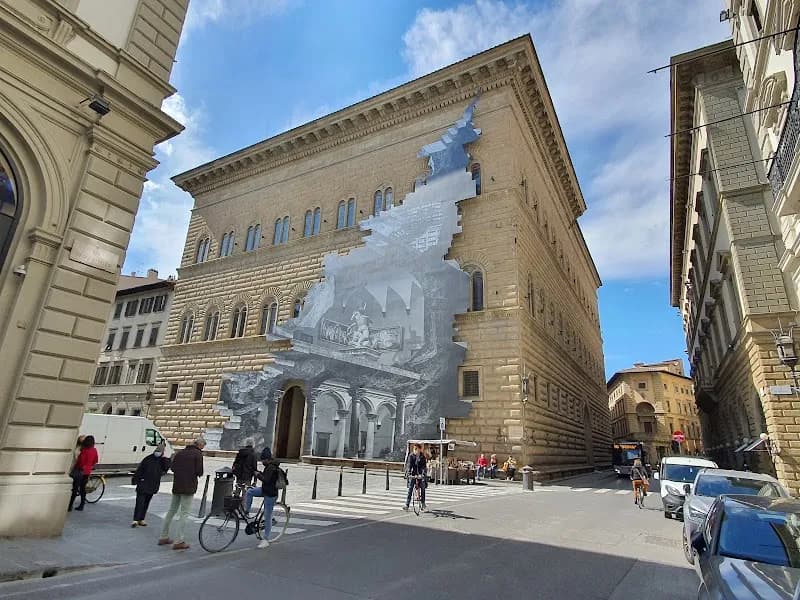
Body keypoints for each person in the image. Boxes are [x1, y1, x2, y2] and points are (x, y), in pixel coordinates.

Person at [159, 437, 205, 550]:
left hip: (177, 485)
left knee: (171, 510)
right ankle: (179, 540)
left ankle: (163, 536)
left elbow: (173, 468)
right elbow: (200, 471)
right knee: (184, 513)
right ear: (200, 445)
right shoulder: (197, 454)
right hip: (189, 487)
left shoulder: (180, 453)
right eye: (203, 446)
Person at [247, 447, 280, 549]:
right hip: (265, 490)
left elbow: (266, 479)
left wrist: (258, 475)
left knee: (267, 516)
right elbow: (266, 478)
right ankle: (246, 511)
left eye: (263, 460)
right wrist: (259, 474)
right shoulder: (269, 466)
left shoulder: (271, 467)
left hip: (270, 494)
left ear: (267, 459)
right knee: (250, 492)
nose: (262, 462)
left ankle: (266, 539)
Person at [131, 443, 170, 527]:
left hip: (152, 485)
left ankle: (141, 518)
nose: (158, 452)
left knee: (146, 503)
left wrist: (164, 459)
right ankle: (136, 519)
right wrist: (135, 480)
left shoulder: (162, 460)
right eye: (157, 451)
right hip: (143, 483)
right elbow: (140, 470)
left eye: (160, 451)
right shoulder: (148, 459)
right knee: (140, 502)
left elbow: (166, 468)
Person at [68, 435, 98, 512]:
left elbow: (80, 462)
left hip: (80, 471)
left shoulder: (84, 450)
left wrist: (75, 468)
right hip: (87, 472)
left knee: (74, 489)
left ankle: (70, 505)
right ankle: (82, 505)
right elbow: (95, 460)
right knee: (82, 489)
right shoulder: (94, 450)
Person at [403, 444, 427, 511]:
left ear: (420, 449)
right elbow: (409, 465)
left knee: (422, 487)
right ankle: (407, 505)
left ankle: (423, 503)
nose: (415, 450)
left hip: (420, 474)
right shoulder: (411, 456)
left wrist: (422, 474)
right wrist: (409, 473)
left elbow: (424, 467)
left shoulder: (422, 457)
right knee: (410, 488)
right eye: (414, 448)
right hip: (413, 474)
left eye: (416, 448)